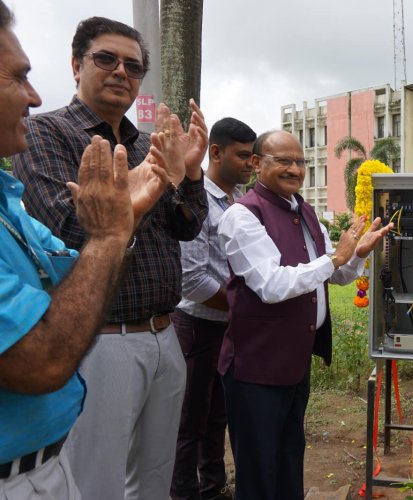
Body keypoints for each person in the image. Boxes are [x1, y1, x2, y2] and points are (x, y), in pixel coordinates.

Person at [12, 16, 209, 500]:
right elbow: (66, 233)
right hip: (103, 341)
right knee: (98, 481)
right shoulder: (45, 134)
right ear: (76, 65)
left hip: (165, 333)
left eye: (133, 66)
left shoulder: (148, 144)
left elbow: (186, 227)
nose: (121, 71)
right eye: (106, 59)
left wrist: (188, 175)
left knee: (155, 479)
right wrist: (134, 201)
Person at [217, 130, 392, 499]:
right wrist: (335, 258)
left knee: (289, 455)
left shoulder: (306, 212)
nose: (295, 169)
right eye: (283, 160)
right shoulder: (242, 216)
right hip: (256, 367)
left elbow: (338, 274)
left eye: (300, 162)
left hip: (295, 362)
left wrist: (358, 252)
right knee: (259, 468)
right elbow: (271, 285)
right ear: (256, 163)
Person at [171, 117, 256, 500]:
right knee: (190, 419)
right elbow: (192, 280)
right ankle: (185, 492)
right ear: (216, 153)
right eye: (242, 156)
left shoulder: (237, 203)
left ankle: (213, 486)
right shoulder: (197, 200)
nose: (250, 164)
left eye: (253, 157)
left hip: (227, 325)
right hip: (197, 326)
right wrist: (241, 307)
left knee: (218, 414)